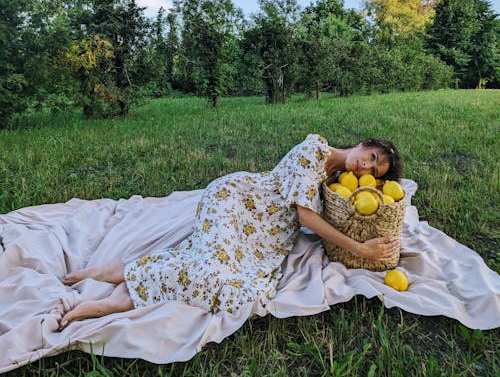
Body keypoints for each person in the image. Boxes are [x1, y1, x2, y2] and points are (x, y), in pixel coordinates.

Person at [58, 134, 402, 330]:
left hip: (266, 238)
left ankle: (119, 271)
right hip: (236, 201)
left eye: (375, 167)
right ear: (361, 144)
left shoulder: (338, 183)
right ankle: (120, 298)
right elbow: (306, 217)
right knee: (209, 267)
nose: (366, 165)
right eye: (370, 155)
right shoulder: (315, 148)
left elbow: (343, 210)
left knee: (242, 294)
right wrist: (362, 250)